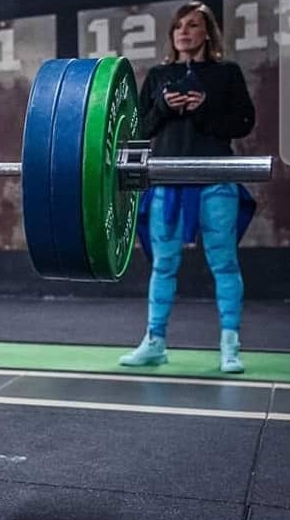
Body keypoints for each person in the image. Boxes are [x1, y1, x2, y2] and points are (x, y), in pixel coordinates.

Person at [119, 1, 256, 373]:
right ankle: (154, 342)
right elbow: (139, 130)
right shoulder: (159, 76)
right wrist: (164, 107)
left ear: (207, 33)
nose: (183, 32)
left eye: (192, 25)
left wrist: (204, 107)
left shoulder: (227, 73)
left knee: (224, 262)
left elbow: (244, 124)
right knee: (163, 264)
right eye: (178, 26)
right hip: (167, 180)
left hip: (215, 179)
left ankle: (230, 346)